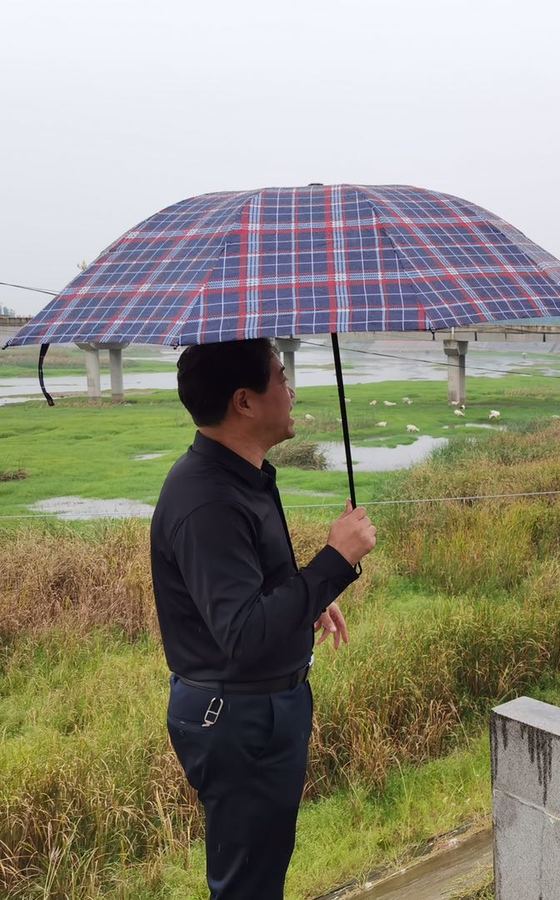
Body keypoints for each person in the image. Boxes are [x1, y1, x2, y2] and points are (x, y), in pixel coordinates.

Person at [150, 339, 376, 899]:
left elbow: (250, 592)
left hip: (258, 711)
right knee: (248, 885)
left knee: (262, 869)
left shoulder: (244, 476)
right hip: (236, 719)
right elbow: (245, 636)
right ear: (245, 402)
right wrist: (333, 562)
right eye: (281, 376)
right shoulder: (208, 501)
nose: (292, 390)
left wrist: (309, 596)